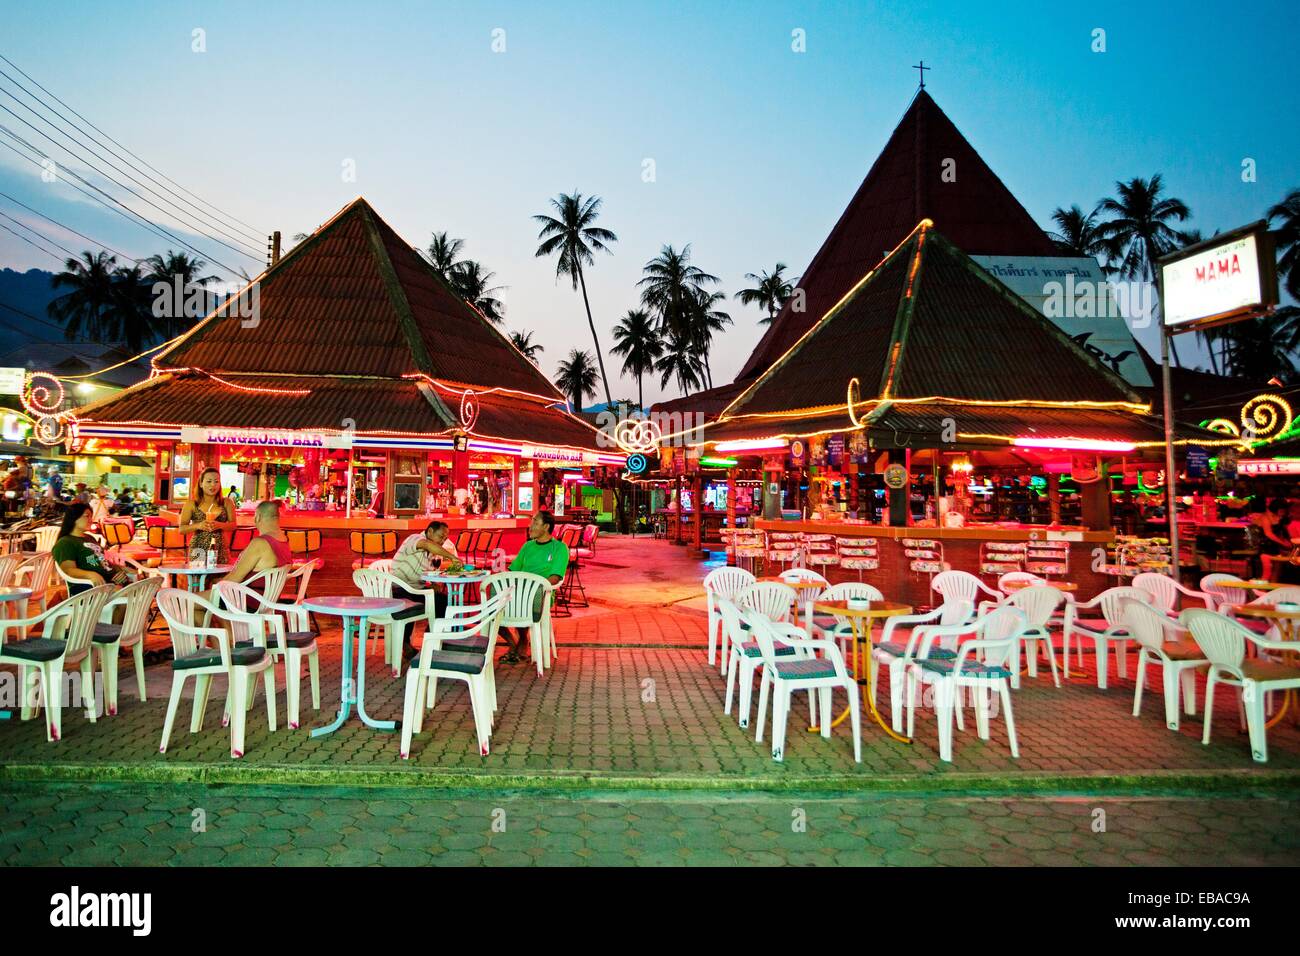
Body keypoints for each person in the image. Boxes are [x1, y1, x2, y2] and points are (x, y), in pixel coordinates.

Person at [502, 510, 568, 664]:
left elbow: (555, 577)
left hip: (541, 594)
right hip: (518, 592)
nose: (530, 526)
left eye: (535, 522)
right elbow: (513, 570)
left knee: (522, 602)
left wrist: (534, 588)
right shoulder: (527, 546)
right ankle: (514, 643)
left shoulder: (559, 548)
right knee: (491, 609)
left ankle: (522, 642)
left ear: (546, 526)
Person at [391, 520, 458, 659]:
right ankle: (405, 645)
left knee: (443, 600)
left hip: (417, 589)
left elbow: (430, 574)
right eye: (441, 537)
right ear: (430, 531)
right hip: (397, 588)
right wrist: (451, 556)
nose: (443, 541)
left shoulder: (435, 554)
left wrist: (433, 583)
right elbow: (427, 544)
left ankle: (433, 638)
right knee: (409, 603)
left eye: (445, 539)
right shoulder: (415, 539)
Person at [52, 501, 129, 595]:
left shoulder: (89, 538)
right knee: (129, 595)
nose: (91, 520)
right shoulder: (65, 542)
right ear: (74, 518)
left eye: (91, 516)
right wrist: (91, 574)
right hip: (88, 587)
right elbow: (68, 570)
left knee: (143, 589)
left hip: (109, 581)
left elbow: (101, 558)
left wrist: (117, 569)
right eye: (86, 516)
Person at [220, 500, 292, 586]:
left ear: (257, 517)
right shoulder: (284, 540)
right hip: (267, 597)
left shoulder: (260, 543)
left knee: (200, 596)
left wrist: (215, 587)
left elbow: (235, 577)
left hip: (243, 597)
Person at [179, 467, 236, 563]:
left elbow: (233, 525)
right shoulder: (192, 504)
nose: (213, 485)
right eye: (209, 481)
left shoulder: (226, 502)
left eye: (216, 481)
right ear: (201, 484)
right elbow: (182, 529)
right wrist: (198, 525)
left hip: (220, 547)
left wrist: (220, 525)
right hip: (198, 548)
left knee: (221, 576)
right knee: (198, 576)